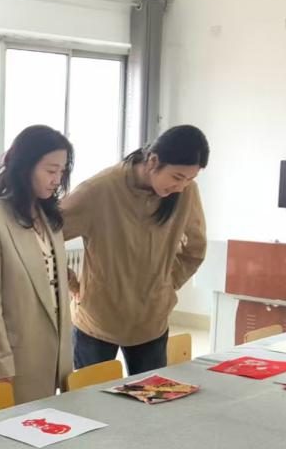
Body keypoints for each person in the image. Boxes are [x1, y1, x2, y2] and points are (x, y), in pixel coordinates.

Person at [61, 124, 209, 375]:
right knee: (91, 398)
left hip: (152, 322)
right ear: (153, 161)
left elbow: (195, 248)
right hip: (98, 321)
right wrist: (73, 284)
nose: (181, 186)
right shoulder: (100, 189)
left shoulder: (186, 192)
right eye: (177, 177)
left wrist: (166, 283)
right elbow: (44, 238)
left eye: (190, 179)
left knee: (150, 397)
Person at [0, 125, 74, 404]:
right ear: (25, 167)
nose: (57, 180)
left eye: (62, 171)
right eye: (50, 170)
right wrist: (0, 365)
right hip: (14, 361)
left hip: (53, 357)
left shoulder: (49, 216)